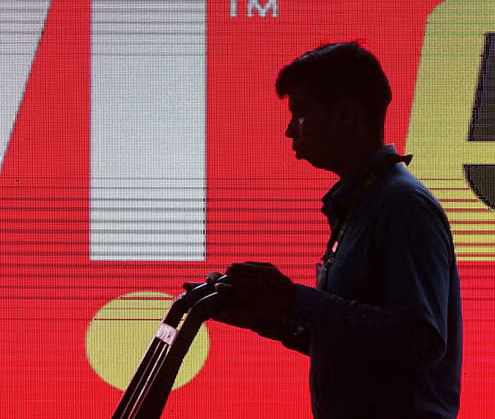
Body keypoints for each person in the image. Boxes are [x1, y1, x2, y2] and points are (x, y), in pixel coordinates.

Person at [192, 42, 462, 419]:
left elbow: (419, 340)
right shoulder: (365, 204)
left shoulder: (403, 206)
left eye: (301, 113)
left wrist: (293, 300)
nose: (290, 130)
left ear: (345, 114)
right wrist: (265, 319)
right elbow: (364, 347)